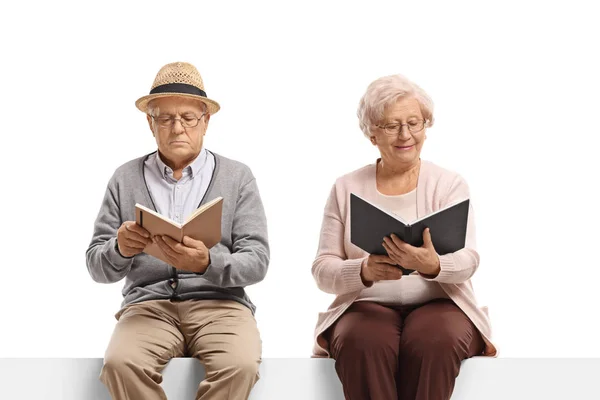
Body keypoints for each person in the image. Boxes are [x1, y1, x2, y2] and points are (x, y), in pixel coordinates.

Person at [86, 61, 269, 400]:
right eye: (165, 118)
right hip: (148, 307)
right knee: (120, 363)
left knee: (240, 365)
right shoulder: (124, 178)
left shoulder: (237, 176)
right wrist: (120, 248)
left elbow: (257, 261)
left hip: (222, 305)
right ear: (149, 123)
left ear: (206, 121)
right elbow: (96, 265)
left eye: (188, 118)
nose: (177, 128)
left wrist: (206, 263)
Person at [311, 74, 496, 400]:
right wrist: (363, 271)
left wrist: (434, 265)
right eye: (391, 125)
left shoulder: (449, 184)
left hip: (441, 303)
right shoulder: (345, 187)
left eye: (414, 122)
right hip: (366, 306)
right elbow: (323, 270)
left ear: (426, 125)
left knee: (434, 341)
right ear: (372, 133)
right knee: (362, 342)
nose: (405, 134)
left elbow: (469, 259)